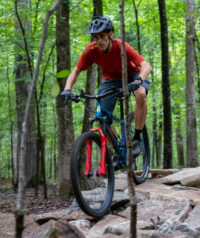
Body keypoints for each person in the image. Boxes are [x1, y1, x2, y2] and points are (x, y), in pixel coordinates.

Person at [60, 16, 152, 157]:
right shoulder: (91, 50)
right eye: (96, 37)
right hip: (111, 81)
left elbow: (146, 66)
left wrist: (139, 80)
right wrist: (67, 89)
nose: (99, 41)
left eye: (102, 36)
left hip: (133, 75)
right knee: (101, 116)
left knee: (140, 94)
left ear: (110, 34)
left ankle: (138, 138)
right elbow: (76, 71)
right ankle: (117, 152)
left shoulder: (122, 46)